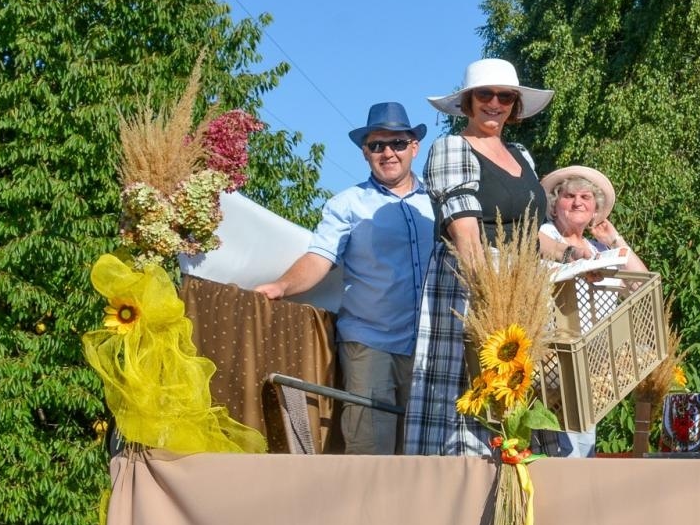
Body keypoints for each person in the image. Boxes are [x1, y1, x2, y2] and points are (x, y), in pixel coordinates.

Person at [403, 57, 562, 457]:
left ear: (515, 104)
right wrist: (489, 298)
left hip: (524, 286)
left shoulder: (522, 155)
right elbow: (466, 236)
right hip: (474, 287)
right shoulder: (452, 148)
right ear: (468, 102)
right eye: (485, 95)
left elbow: (535, 233)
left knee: (520, 399)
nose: (495, 103)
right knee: (470, 393)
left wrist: (577, 255)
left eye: (505, 96)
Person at [255, 103, 434, 454]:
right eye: (376, 145)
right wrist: (280, 286)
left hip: (431, 347)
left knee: (429, 453)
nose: (388, 153)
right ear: (364, 153)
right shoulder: (346, 204)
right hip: (370, 344)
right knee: (370, 453)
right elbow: (320, 258)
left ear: (414, 147)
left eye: (397, 143)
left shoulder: (439, 202)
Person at [534, 164, 649, 457]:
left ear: (596, 207)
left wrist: (614, 239)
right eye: (569, 195)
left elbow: (642, 285)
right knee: (557, 443)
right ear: (554, 204)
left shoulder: (599, 249)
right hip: (551, 359)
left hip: (593, 363)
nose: (578, 202)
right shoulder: (544, 238)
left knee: (583, 445)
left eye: (586, 197)